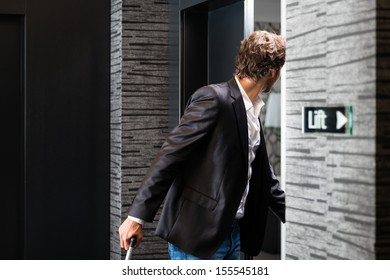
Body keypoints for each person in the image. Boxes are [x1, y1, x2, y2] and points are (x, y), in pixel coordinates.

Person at [119, 30, 286, 260]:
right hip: (198, 237)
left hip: (235, 235)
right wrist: (136, 217)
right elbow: (170, 155)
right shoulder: (213, 98)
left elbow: (263, 176)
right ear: (272, 72)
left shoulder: (253, 112)